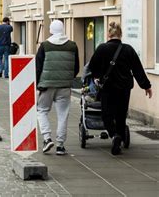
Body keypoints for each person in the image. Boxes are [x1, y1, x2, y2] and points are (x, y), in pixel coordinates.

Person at [89, 22, 152, 155]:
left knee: (107, 115)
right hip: (124, 89)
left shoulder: (102, 48)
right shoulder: (128, 49)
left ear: (108, 34)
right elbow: (137, 69)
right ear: (121, 34)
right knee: (121, 115)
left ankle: (114, 135)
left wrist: (96, 77)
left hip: (107, 88)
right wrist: (146, 86)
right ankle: (119, 134)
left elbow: (92, 66)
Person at [36, 20, 79, 155]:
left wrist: (38, 84)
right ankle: (60, 146)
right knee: (63, 114)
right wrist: (68, 78)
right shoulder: (72, 46)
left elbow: (38, 66)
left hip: (47, 85)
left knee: (42, 110)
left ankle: (47, 138)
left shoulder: (45, 45)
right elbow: (76, 67)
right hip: (65, 86)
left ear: (51, 30)